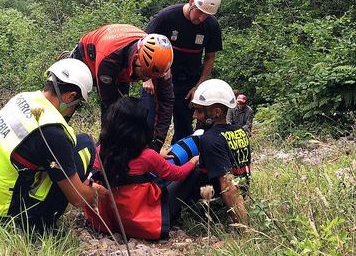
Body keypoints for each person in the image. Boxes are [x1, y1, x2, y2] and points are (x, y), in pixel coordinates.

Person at [0, 58, 108, 233]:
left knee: (62, 156)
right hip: (6, 214)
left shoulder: (23, 98)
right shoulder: (53, 133)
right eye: (76, 105)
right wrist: (93, 191)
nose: (73, 110)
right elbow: (77, 199)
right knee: (85, 144)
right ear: (70, 97)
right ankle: (40, 225)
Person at [84, 97, 199, 240]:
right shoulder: (147, 156)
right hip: (139, 221)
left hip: (110, 219)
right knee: (191, 173)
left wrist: (157, 155)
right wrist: (193, 162)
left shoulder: (100, 150)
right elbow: (177, 174)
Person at [141, 0, 223, 143]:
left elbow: (209, 57)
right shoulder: (166, 17)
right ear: (192, 1)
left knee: (184, 130)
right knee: (148, 125)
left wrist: (198, 86)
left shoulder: (211, 26)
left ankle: (177, 165)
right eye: (199, 12)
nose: (201, 18)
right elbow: (142, 46)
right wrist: (147, 78)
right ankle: (145, 164)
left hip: (187, 85)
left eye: (206, 15)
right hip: (158, 80)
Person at [71, 24, 174, 152]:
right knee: (71, 101)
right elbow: (109, 107)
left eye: (152, 77)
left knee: (123, 116)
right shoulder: (110, 61)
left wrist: (156, 143)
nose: (146, 79)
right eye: (145, 74)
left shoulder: (161, 63)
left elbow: (166, 102)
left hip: (122, 64)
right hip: (88, 57)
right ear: (137, 58)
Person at [191, 79, 251, 225]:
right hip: (243, 189)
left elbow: (228, 185)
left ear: (216, 112)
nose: (194, 115)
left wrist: (243, 226)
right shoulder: (240, 131)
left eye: (199, 110)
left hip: (217, 198)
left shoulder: (210, 139)